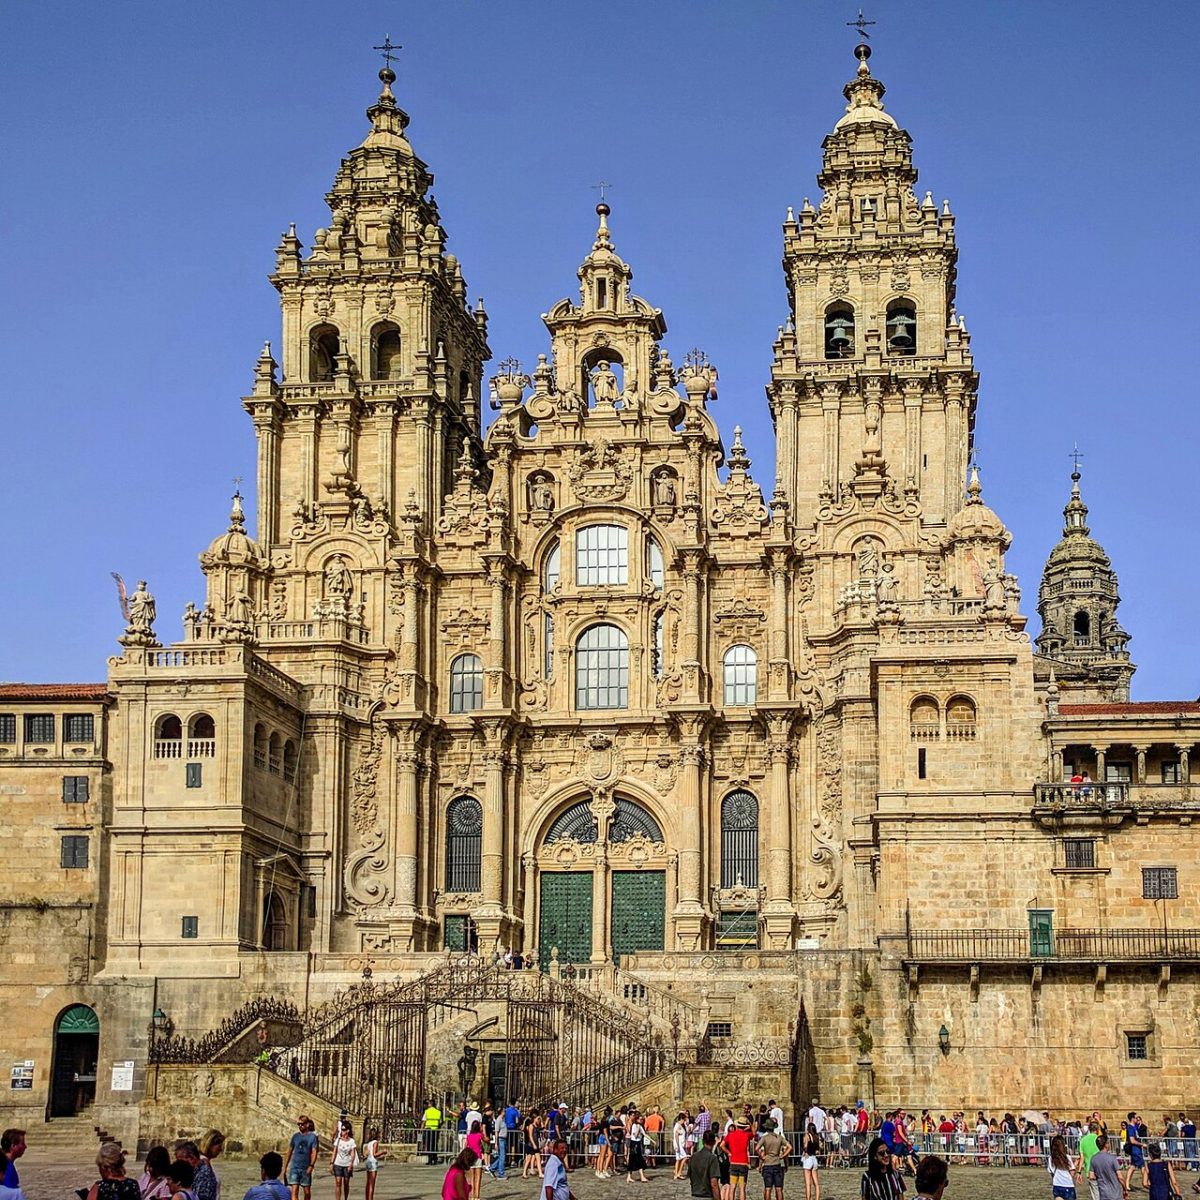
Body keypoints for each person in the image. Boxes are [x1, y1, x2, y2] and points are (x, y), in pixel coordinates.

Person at [861, 1136, 905, 1200]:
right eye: (882, 1153)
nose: (886, 1155)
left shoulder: (896, 1174)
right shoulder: (868, 1177)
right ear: (875, 1156)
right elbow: (864, 1197)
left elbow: (901, 1196)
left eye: (887, 1151)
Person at [284, 1117, 319, 1200]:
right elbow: (289, 1152)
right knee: (294, 1190)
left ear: (307, 1124)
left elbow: (314, 1152)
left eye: (302, 1124)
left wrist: (311, 1166)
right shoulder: (295, 1136)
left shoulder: (312, 1137)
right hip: (295, 1167)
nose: (300, 1126)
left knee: (307, 1191)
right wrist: (285, 1167)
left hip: (306, 1168)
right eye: (298, 1124)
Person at [757, 1119, 791, 1200]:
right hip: (777, 1163)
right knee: (779, 1189)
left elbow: (757, 1148)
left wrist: (762, 1158)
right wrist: (783, 1156)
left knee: (768, 1188)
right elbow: (790, 1147)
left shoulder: (764, 1138)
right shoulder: (779, 1137)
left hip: (768, 1163)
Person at [724, 1118, 754, 1200]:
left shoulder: (730, 1135)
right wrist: (750, 1124)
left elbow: (722, 1145)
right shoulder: (746, 1135)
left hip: (734, 1162)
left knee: (732, 1187)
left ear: (736, 1125)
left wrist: (729, 1152)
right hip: (743, 1163)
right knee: (742, 1188)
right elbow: (754, 1133)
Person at [1088, 1134, 1123, 1200]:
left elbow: (1091, 1177)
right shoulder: (1112, 1158)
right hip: (1115, 1194)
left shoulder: (1093, 1158)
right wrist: (1125, 1188)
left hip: (1103, 1193)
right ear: (1106, 1145)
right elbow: (1120, 1177)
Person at [330, 1120, 357, 1200]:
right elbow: (334, 1152)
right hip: (338, 1163)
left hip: (347, 1164)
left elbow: (353, 1153)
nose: (342, 1131)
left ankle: (345, 1198)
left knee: (346, 1183)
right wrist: (331, 1163)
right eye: (341, 1129)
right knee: (338, 1183)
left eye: (344, 1129)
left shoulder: (352, 1141)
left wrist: (351, 1164)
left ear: (348, 1131)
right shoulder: (338, 1140)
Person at [1047, 1135, 1080, 1200]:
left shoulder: (1051, 1159)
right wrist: (1075, 1164)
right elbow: (1072, 1173)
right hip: (1068, 1185)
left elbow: (1051, 1173)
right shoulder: (1067, 1158)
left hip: (1057, 1185)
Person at [195, 1131, 225, 1200]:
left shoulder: (205, 1161)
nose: (220, 1150)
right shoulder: (203, 1163)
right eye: (219, 1146)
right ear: (210, 1145)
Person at [1078, 1121, 1101, 1200]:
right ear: (1097, 1129)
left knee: (1095, 1194)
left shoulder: (1083, 1140)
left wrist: (1079, 1171)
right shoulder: (1099, 1139)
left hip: (1089, 1170)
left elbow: (1082, 1158)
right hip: (1101, 1169)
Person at [360, 1128, 385, 1200]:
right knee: (372, 1183)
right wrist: (383, 1152)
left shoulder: (369, 1143)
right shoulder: (375, 1142)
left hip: (368, 1161)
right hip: (373, 1162)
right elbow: (374, 1154)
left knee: (368, 1182)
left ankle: (367, 1198)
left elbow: (368, 1153)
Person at [465, 1121, 487, 1200]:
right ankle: (477, 1196)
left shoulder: (469, 1136)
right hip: (478, 1156)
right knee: (478, 1177)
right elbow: (486, 1140)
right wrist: (482, 1130)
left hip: (471, 1157)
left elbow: (466, 1146)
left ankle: (472, 1196)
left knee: (472, 1178)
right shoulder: (479, 1135)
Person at [1124, 1113, 1145, 1195]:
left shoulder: (1134, 1127)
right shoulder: (1130, 1128)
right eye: (1136, 1118)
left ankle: (1127, 1184)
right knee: (1143, 1167)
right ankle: (1147, 1183)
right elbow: (1132, 1140)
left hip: (1136, 1150)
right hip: (1135, 1150)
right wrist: (1142, 1144)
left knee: (1132, 1167)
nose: (1137, 1119)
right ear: (1132, 1119)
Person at [627, 1110, 649, 1183]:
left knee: (638, 1159)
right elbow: (635, 1135)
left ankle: (630, 1177)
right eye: (640, 1119)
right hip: (634, 1144)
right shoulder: (634, 1126)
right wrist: (638, 1129)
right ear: (637, 1119)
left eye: (642, 1119)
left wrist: (652, 1141)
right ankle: (640, 1176)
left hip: (638, 1144)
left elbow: (644, 1134)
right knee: (634, 1160)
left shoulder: (640, 1126)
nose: (641, 1120)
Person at [800, 1122, 821, 1200]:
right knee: (816, 1183)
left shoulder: (807, 1136)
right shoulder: (816, 1137)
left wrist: (805, 1151)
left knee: (808, 1183)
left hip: (808, 1158)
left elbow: (805, 1146)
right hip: (814, 1158)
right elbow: (817, 1149)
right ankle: (817, 1198)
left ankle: (808, 1198)